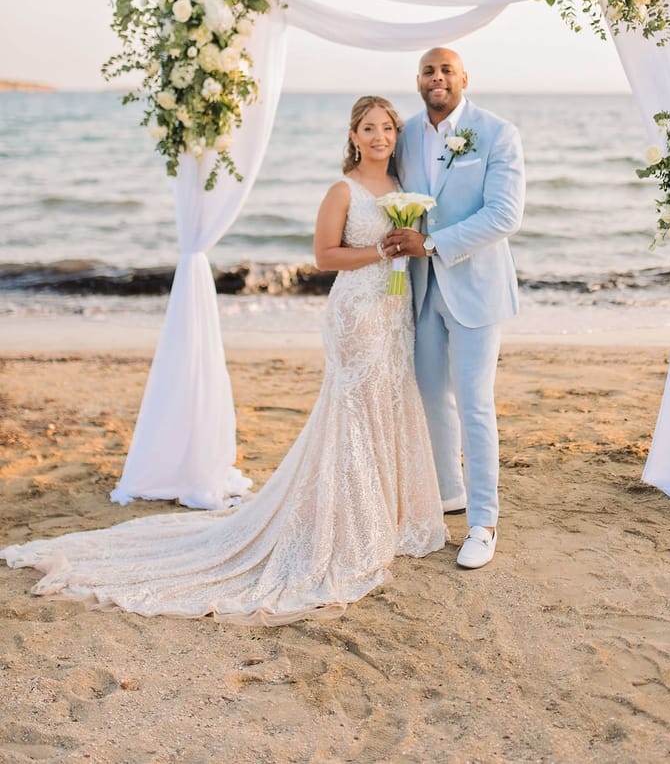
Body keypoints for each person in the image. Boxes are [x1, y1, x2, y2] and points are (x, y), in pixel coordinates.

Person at [1, 97, 445, 624]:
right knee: (356, 410)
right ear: (353, 136)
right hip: (356, 314)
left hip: (395, 315)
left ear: (397, 134)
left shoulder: (403, 190)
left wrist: (412, 250)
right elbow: (325, 258)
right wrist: (384, 253)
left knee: (390, 401)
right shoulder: (342, 190)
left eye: (388, 128)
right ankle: (352, 525)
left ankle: (387, 516)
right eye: (369, 128)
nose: (380, 136)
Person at [384, 48, 525, 570]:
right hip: (420, 290)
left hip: (477, 288)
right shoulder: (405, 136)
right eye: (428, 70)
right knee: (428, 398)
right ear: (418, 80)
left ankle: (484, 523)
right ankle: (447, 495)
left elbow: (504, 215)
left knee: (474, 403)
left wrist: (433, 244)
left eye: (446, 70)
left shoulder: (497, 133)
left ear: (465, 77)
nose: (437, 77)